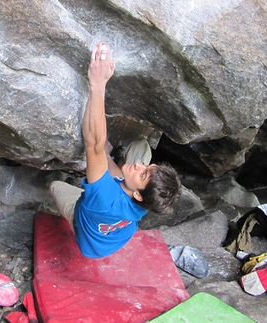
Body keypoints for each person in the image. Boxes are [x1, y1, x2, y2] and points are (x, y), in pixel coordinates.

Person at [49, 42, 181, 258]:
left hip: (90, 243)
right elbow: (106, 153)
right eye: (148, 166)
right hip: (118, 232)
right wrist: (109, 158)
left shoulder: (104, 198)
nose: (140, 166)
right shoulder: (152, 199)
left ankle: (108, 165)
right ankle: (115, 161)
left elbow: (93, 143)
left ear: (138, 195)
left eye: (143, 173)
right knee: (139, 148)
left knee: (55, 185)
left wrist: (98, 84)